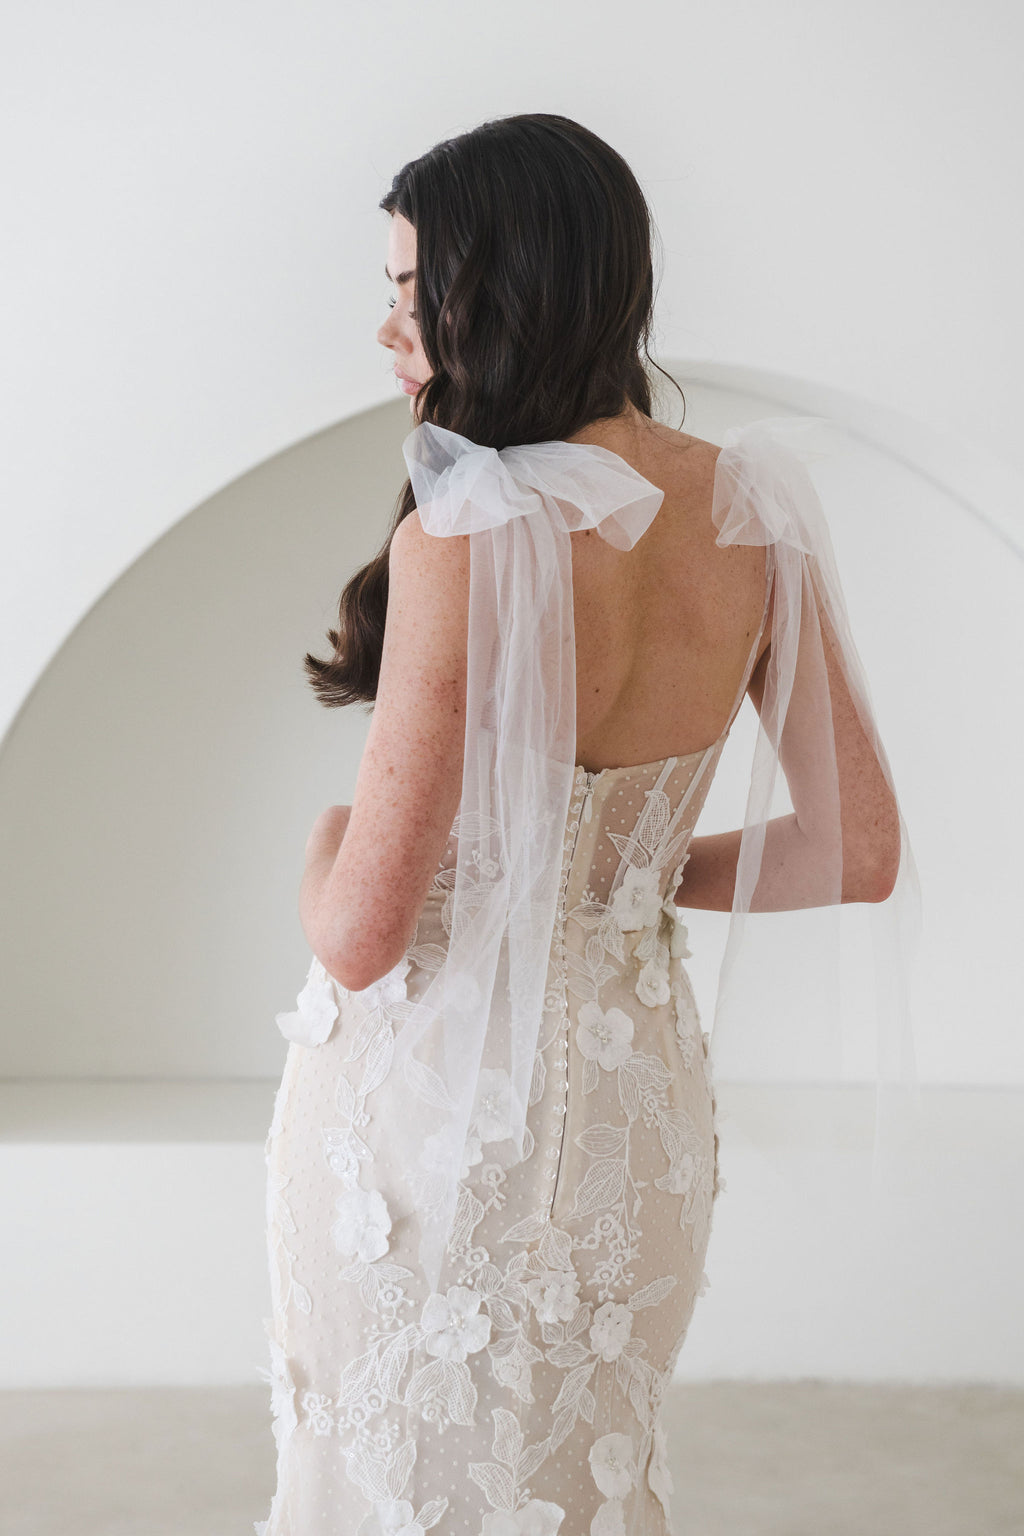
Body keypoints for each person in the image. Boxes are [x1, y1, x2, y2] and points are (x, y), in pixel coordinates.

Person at [255, 114, 908, 1536]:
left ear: (500, 293)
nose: (388, 331)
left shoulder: (464, 538)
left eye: (411, 291)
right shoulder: (751, 513)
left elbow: (362, 937)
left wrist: (320, 845)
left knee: (385, 1485)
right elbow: (856, 852)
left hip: (427, 1117)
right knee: (584, 1485)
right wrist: (636, 872)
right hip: (633, 1121)